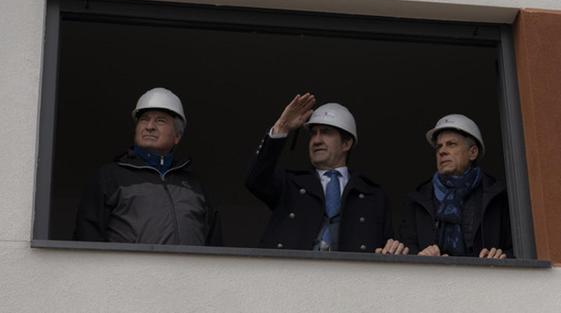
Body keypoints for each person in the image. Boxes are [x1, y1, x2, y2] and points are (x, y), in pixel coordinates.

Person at [246, 93, 396, 253]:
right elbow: (255, 179)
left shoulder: (373, 195)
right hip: (292, 273)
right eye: (313, 133)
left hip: (349, 276)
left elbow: (389, 250)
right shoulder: (289, 185)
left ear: (346, 143)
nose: (316, 140)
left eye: (325, 132)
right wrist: (282, 127)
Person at [74, 87, 221, 246]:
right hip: (129, 271)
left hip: (189, 271)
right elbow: (86, 240)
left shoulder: (195, 186)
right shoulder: (109, 177)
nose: (149, 126)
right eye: (144, 119)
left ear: (177, 136)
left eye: (160, 120)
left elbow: (215, 246)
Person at [399, 114, 512, 258]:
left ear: (473, 152)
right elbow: (405, 251)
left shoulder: (498, 195)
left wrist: (501, 257)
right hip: (433, 279)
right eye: (439, 146)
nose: (442, 151)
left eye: (451, 144)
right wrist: (422, 258)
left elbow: (520, 249)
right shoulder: (417, 200)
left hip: (486, 279)